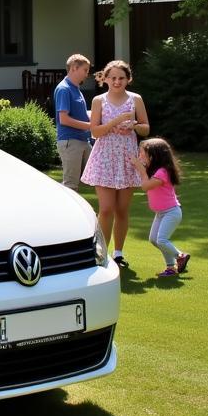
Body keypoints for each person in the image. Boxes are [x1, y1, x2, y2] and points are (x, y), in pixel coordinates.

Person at [80, 59, 150, 269]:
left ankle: (118, 254)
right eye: (113, 78)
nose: (117, 81)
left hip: (127, 158)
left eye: (121, 78)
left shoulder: (135, 99)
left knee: (122, 209)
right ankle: (102, 254)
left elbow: (146, 129)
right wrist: (114, 122)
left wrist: (134, 125)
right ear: (105, 79)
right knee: (107, 208)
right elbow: (95, 132)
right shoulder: (99, 100)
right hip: (104, 158)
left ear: (128, 79)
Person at [130, 137, 190, 278]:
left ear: (153, 156)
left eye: (143, 154)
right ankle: (171, 267)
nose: (140, 156)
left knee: (162, 240)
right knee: (154, 240)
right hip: (161, 213)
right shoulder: (155, 170)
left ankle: (180, 256)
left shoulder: (162, 172)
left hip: (171, 212)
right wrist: (140, 167)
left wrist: (140, 169)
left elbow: (145, 186)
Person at [54, 53, 92, 190]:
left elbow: (81, 114)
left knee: (95, 177)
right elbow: (63, 119)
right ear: (74, 68)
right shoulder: (64, 89)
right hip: (70, 141)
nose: (87, 74)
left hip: (83, 140)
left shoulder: (75, 88)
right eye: (85, 70)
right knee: (70, 186)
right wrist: (91, 126)